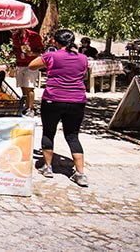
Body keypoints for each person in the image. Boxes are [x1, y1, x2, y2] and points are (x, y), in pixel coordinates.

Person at [28, 29, 90, 187]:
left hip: (53, 99)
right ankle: (80, 174)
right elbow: (83, 74)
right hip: (77, 100)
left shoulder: (52, 56)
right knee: (73, 135)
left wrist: (47, 58)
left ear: (55, 42)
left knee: (49, 131)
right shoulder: (83, 58)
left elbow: (32, 65)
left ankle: (48, 167)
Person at [11, 28, 45, 116]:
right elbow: (16, 48)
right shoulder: (15, 36)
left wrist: (32, 53)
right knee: (22, 86)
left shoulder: (34, 36)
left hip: (31, 64)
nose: (12, 30)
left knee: (29, 87)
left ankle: (31, 108)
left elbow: (42, 51)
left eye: (14, 28)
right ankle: (26, 106)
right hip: (20, 63)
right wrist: (10, 54)